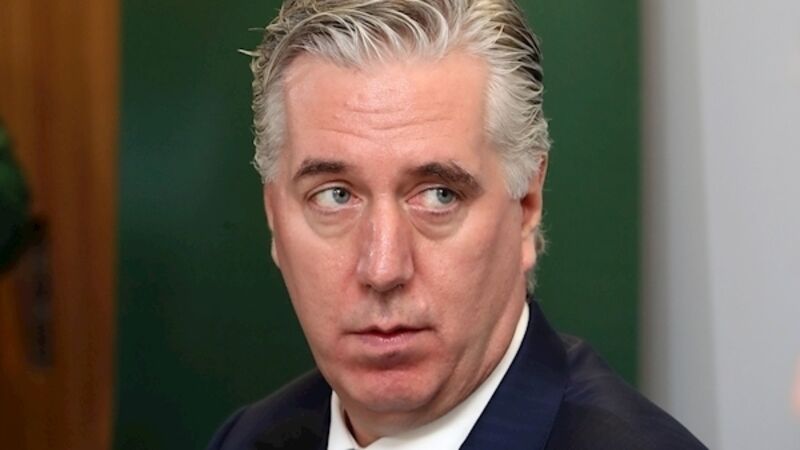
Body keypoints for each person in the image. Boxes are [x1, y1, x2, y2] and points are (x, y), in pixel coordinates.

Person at [208, 1, 706, 448]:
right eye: (336, 196)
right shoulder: (244, 439)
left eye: (438, 195)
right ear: (274, 217)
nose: (383, 269)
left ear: (526, 206)